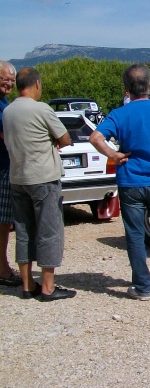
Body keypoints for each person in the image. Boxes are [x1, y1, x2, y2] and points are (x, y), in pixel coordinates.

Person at [90, 64, 150, 301]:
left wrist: (113, 155)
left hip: (130, 181)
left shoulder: (119, 114)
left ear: (127, 90)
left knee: (134, 234)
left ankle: (142, 287)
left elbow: (96, 137)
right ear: (149, 85)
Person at [4, 67, 74, 301]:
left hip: (18, 177)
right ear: (36, 84)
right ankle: (48, 287)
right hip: (43, 177)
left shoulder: (8, 111)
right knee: (49, 230)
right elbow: (65, 138)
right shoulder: (41, 109)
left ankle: (27, 285)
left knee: (23, 231)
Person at [0, 62, 21, 288]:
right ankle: (2, 269)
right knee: (2, 222)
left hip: (5, 165)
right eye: (4, 78)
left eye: (12, 80)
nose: (9, 83)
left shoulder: (4, 103)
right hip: (2, 167)